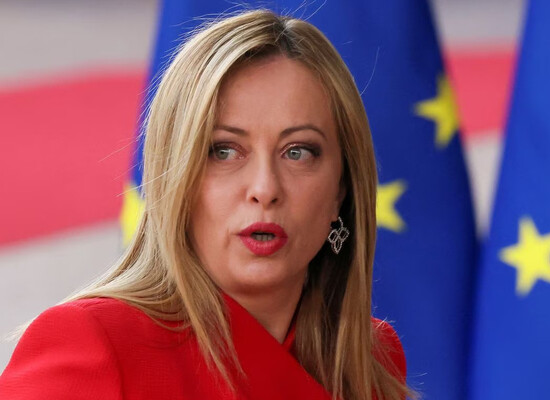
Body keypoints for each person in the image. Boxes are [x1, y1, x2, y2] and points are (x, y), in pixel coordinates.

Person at [0, 9, 413, 400]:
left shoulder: (371, 360)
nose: (265, 188)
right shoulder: (92, 343)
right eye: (224, 151)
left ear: (342, 189)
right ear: (175, 177)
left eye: (298, 152)